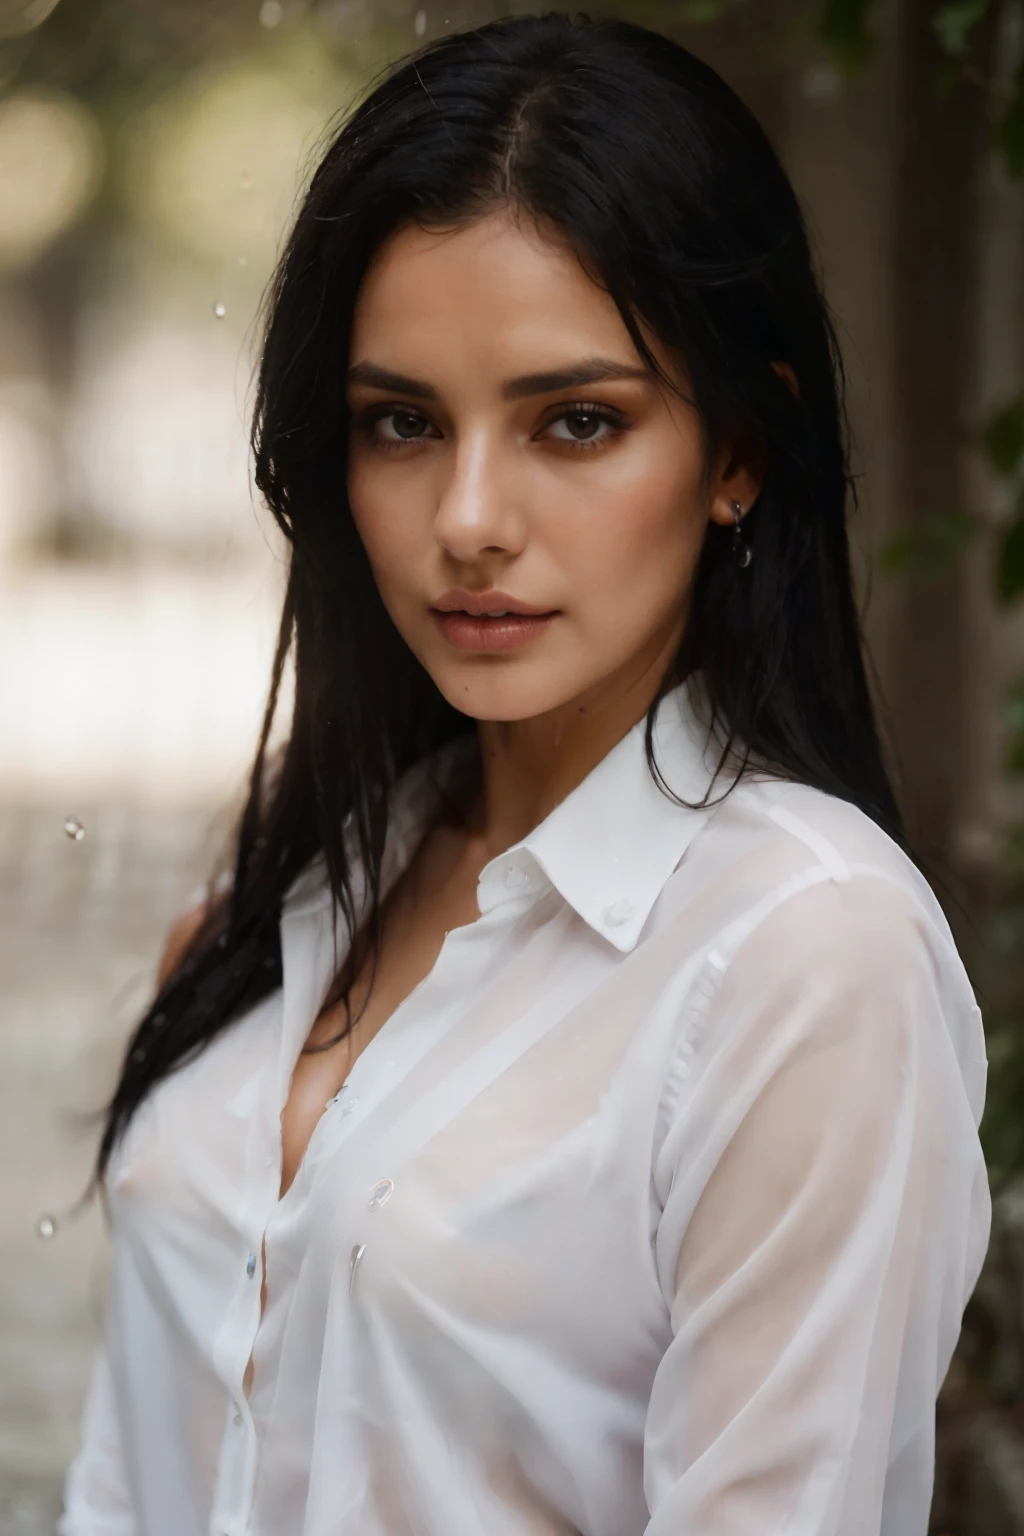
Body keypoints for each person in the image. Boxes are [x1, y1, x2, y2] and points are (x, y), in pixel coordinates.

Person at [59, 11, 992, 1535]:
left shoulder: (808, 957)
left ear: (741, 449)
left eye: (576, 421)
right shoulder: (283, 901)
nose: (470, 518)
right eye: (401, 424)